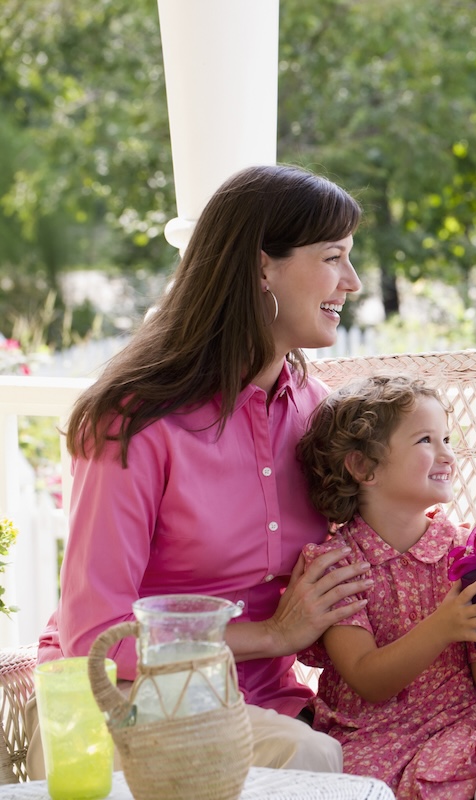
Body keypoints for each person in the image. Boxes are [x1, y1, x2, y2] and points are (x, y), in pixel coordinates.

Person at [34, 164, 371, 773]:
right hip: (131, 704)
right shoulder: (133, 423)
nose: (351, 281)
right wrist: (271, 636)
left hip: (266, 705)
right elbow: (94, 638)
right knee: (311, 758)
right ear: (260, 266)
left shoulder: (318, 414)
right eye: (333, 257)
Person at [295, 372, 476, 798]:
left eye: (447, 439)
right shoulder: (338, 565)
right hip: (367, 737)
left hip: (456, 735)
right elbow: (368, 679)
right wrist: (443, 626)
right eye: (426, 440)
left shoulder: (468, 556)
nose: (447, 455)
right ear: (364, 467)